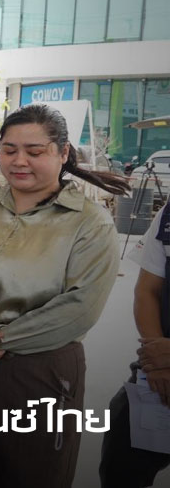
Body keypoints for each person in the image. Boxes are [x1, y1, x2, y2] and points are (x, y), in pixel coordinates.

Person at [0, 103, 128, 488]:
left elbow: (80, 307)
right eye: (9, 150)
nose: (19, 161)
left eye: (35, 151)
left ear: (63, 152)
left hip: (38, 371)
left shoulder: (89, 222)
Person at [99, 201, 170, 488]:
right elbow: (147, 291)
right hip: (160, 370)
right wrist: (156, 362)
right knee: (121, 459)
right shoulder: (168, 215)